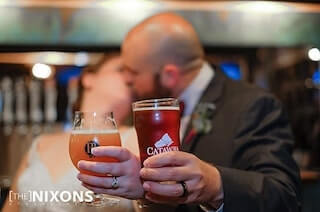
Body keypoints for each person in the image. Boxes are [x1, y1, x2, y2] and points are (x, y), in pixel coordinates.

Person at [76, 13, 301, 212]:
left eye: (133, 72)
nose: (127, 80)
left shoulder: (253, 104)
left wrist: (214, 184)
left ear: (170, 75)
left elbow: (285, 197)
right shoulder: (143, 112)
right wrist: (148, 189)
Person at [3, 53, 138, 212]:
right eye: (121, 70)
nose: (130, 79)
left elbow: (153, 205)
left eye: (135, 75)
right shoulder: (40, 143)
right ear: (89, 78)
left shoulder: (135, 138)